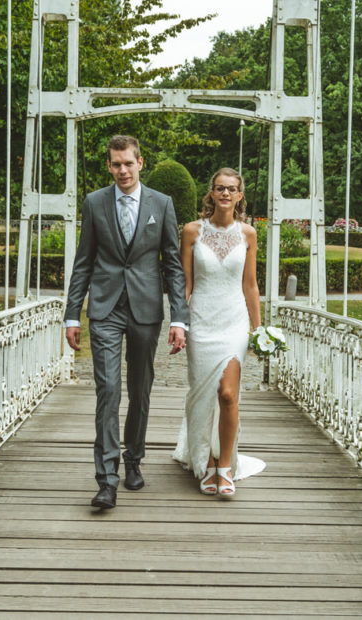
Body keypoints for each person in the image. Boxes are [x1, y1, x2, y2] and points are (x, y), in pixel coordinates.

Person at [64, 135, 189, 510]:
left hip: (146, 309)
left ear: (140, 162)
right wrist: (72, 313)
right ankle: (107, 480)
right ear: (109, 165)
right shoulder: (95, 203)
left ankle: (134, 458)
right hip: (103, 309)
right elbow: (83, 261)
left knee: (140, 389)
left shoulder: (161, 205)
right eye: (116, 164)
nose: (122, 171)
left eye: (128, 163)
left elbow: (173, 265)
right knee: (108, 391)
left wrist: (179, 318)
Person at [171, 168, 265, 498]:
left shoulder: (249, 234)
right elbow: (184, 283)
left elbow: (250, 286)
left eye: (232, 189)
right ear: (210, 193)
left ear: (240, 196)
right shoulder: (191, 231)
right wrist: (178, 322)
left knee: (227, 394)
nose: (225, 194)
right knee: (203, 394)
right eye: (219, 188)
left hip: (234, 321)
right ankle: (207, 462)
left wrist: (259, 330)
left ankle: (226, 466)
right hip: (201, 321)